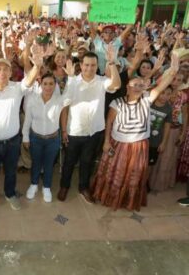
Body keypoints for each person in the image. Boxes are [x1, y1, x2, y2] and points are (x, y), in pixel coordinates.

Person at [92, 54, 179, 211]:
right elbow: (109, 122)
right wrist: (106, 141)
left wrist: (173, 70)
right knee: (114, 172)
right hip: (118, 144)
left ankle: (128, 200)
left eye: (141, 85)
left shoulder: (147, 99)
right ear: (128, 87)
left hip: (139, 146)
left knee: (134, 174)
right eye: (135, 84)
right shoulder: (116, 102)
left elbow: (160, 87)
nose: (138, 87)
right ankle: (111, 198)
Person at [0, 46, 43, 212]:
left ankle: (10, 193)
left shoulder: (17, 88)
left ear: (11, 73)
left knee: (11, 171)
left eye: (5, 69)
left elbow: (30, 80)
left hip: (12, 141)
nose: (1, 72)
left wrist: (37, 66)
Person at [58, 47, 121, 203]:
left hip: (94, 132)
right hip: (74, 131)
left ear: (97, 65)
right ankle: (64, 186)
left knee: (87, 162)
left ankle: (83, 188)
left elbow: (117, 85)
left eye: (93, 65)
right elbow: (65, 105)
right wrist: (64, 130)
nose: (89, 68)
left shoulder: (101, 81)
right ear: (81, 64)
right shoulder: (73, 81)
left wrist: (112, 63)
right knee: (69, 162)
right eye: (86, 65)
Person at [22, 71, 70, 202]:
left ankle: (46, 187)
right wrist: (25, 137)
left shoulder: (59, 100)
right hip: (35, 138)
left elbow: (70, 94)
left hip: (53, 140)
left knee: (49, 165)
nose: (48, 87)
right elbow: (27, 120)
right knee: (36, 163)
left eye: (51, 84)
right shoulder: (33, 99)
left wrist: (71, 77)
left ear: (55, 85)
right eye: (45, 84)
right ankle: (34, 184)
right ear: (40, 84)